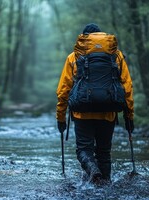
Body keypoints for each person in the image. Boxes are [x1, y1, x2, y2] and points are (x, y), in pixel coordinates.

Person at [56, 23, 134, 184]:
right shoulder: (116, 57)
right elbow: (127, 87)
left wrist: (61, 118)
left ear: (84, 40)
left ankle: (92, 169)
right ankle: (105, 186)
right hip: (108, 112)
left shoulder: (74, 57)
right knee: (104, 153)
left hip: (82, 112)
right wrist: (129, 116)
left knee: (84, 150)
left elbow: (63, 90)